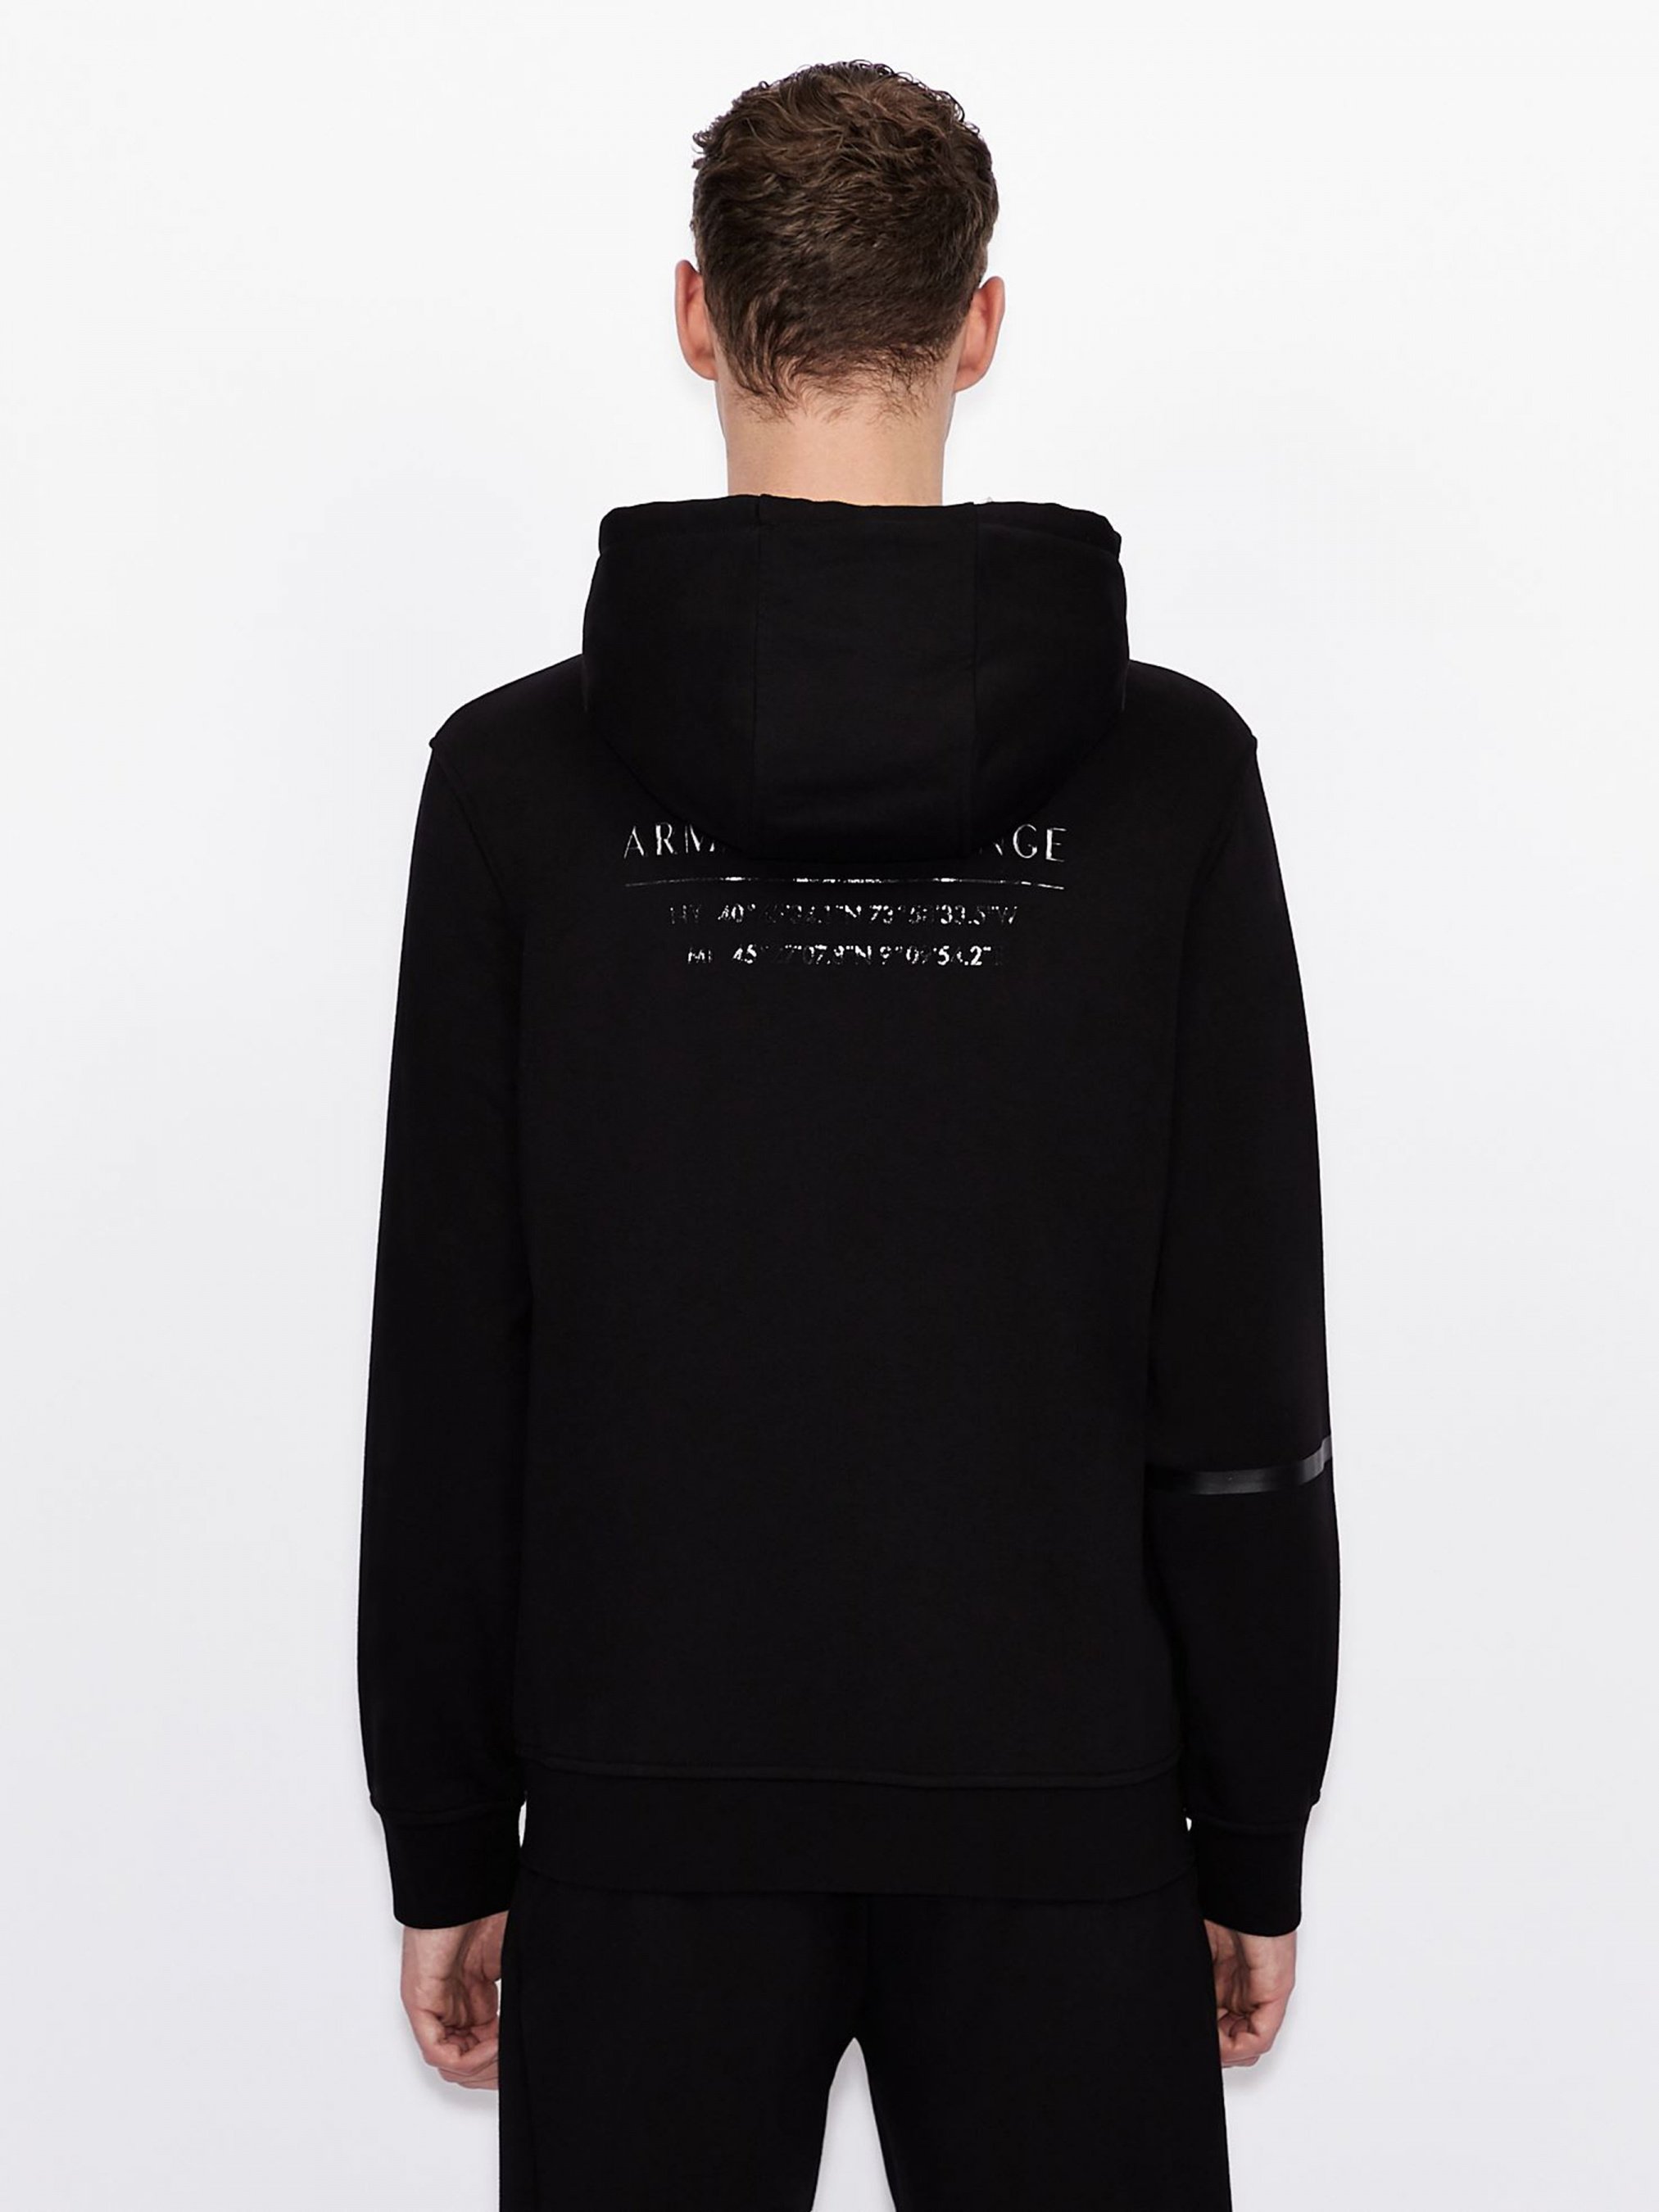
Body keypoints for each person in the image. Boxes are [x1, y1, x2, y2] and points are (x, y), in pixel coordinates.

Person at [357, 57, 1340, 2211]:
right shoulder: (1169, 784)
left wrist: (446, 1831)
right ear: (978, 324)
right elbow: (1241, 1369)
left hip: (637, 1815)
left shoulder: (517, 793)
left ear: (694, 317)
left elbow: (450, 1369)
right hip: (1067, 1809)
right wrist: (1250, 1820)